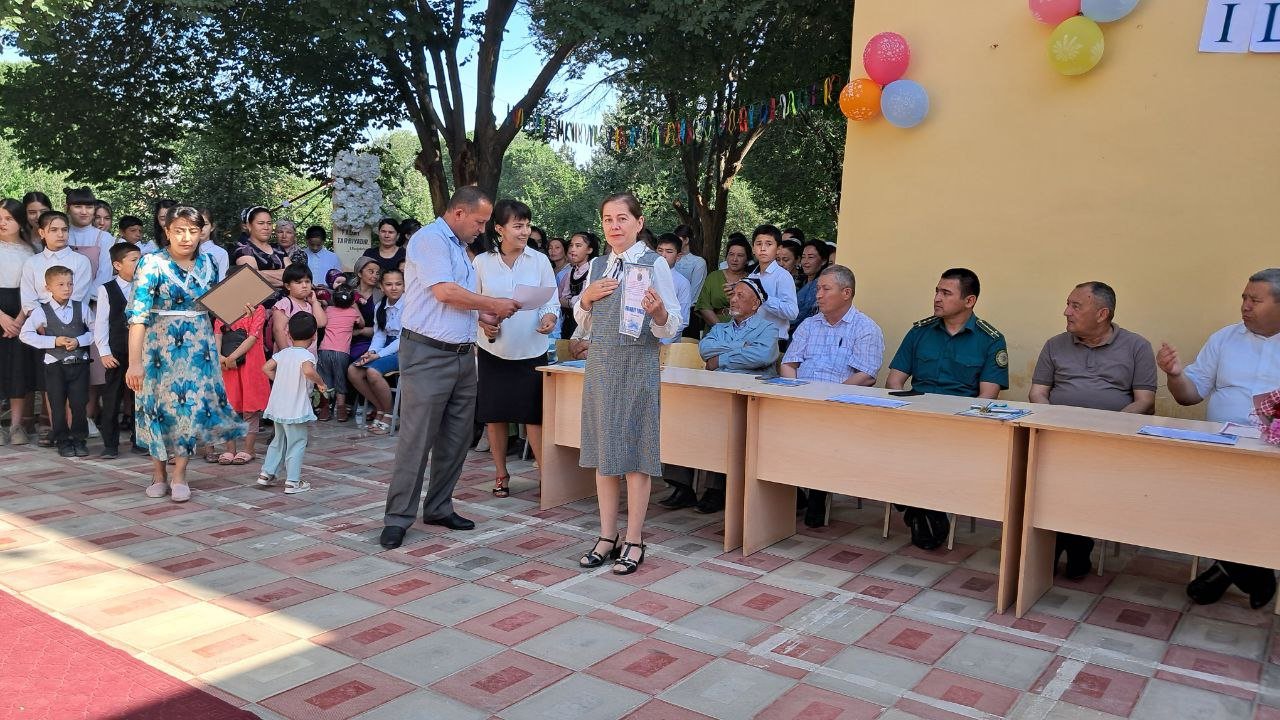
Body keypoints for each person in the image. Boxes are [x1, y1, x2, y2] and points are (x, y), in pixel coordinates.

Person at [379, 187, 520, 549]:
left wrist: (482, 317)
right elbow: (444, 292)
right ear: (459, 213)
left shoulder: (459, 248)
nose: (482, 229)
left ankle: (439, 506)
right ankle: (397, 518)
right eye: (479, 221)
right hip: (427, 353)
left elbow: (452, 303)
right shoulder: (430, 240)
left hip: (462, 354)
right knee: (417, 439)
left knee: (456, 439)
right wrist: (492, 304)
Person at [575, 192, 683, 575]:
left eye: (622, 218)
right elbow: (583, 323)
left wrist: (660, 313)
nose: (614, 226)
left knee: (636, 456)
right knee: (604, 455)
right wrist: (585, 300)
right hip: (601, 367)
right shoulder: (597, 265)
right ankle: (608, 536)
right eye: (608, 219)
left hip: (638, 367)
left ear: (639, 223)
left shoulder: (655, 264)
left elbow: (672, 326)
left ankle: (634, 539)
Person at [1159, 268, 1280, 609]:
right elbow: (1189, 395)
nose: (1245, 306)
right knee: (1197, 502)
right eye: (1244, 298)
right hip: (1221, 449)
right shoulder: (1224, 339)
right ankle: (1254, 573)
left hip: (1273, 455)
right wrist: (1175, 375)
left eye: (1254, 300)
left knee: (1258, 509)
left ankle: (1228, 569)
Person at [1029, 281, 1157, 579]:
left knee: (1082, 480)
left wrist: (1106, 429)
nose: (1066, 312)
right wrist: (1055, 422)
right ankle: (1072, 547)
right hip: (1058, 435)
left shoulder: (1137, 346)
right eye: (1068, 304)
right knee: (1047, 477)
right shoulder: (1055, 344)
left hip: (1110, 442)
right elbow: (1037, 393)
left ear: (1102, 314)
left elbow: (1145, 402)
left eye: (1075, 306)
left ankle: (1069, 546)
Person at [126, 206, 245, 502]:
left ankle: (180, 473)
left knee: (188, 409)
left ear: (202, 232)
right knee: (155, 408)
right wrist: (134, 362)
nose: (186, 237)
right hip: (157, 348)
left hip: (198, 349)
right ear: (167, 231)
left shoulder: (209, 263)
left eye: (193, 231)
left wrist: (240, 306)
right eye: (179, 231)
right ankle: (158, 473)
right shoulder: (151, 262)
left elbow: (218, 307)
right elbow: (137, 316)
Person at [887, 268, 1008, 548]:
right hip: (916, 421)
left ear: (969, 301)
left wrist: (957, 424)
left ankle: (916, 504)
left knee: (928, 454)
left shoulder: (990, 339)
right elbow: (894, 380)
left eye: (946, 293)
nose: (937, 298)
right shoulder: (920, 332)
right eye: (936, 291)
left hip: (958, 428)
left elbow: (987, 396)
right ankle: (922, 505)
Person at [659, 278, 780, 513]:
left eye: (740, 296)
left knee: (721, 426)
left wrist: (721, 359)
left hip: (747, 396)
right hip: (716, 390)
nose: (733, 299)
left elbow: (762, 356)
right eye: (732, 295)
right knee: (683, 420)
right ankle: (682, 487)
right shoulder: (720, 328)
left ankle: (715, 491)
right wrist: (742, 348)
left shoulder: (768, 328)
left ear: (755, 304)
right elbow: (705, 350)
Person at [780, 265, 886, 527]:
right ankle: (791, 492)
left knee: (820, 432)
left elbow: (866, 375)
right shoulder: (808, 325)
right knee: (769, 427)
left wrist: (831, 397)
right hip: (801, 401)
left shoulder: (865, 328)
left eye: (825, 289)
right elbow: (788, 364)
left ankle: (817, 493)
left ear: (846, 293)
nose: (818, 295)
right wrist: (795, 393)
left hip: (839, 406)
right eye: (818, 289)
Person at [473, 200, 559, 496]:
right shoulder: (481, 262)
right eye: (518, 226)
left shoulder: (539, 261)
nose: (525, 232)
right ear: (499, 229)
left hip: (532, 349)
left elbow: (551, 301)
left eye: (527, 225)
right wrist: (483, 322)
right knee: (495, 415)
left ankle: (546, 476)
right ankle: (501, 474)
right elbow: (471, 302)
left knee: (533, 415)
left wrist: (550, 317)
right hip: (493, 350)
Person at [20, 265, 93, 457]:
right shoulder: (41, 311)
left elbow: (96, 332)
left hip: (79, 363)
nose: (66, 288)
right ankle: (63, 441)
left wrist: (79, 341)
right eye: (60, 284)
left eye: (70, 284)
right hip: (54, 365)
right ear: (48, 287)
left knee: (79, 404)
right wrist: (53, 341)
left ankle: (79, 440)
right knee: (57, 405)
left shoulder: (82, 307)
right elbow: (25, 334)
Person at [258, 313, 327, 495]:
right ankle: (293, 481)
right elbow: (308, 371)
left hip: (278, 406)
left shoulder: (282, 353)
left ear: (288, 334)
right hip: (295, 408)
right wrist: (320, 383)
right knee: (297, 443)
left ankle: (267, 473)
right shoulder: (307, 355)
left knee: (278, 440)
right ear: (314, 336)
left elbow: (266, 368)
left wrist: (280, 380)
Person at [94, 242, 143, 459]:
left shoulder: (146, 287)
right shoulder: (106, 289)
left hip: (141, 352)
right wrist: (104, 351)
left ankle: (140, 440)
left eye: (141, 259)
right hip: (116, 351)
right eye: (134, 260)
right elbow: (101, 322)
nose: (139, 264)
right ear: (117, 265)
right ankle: (110, 444)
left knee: (140, 398)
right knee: (112, 397)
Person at [0, 198, 37, 446]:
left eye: (8, 218)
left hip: (21, 311)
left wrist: (19, 320)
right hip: (1, 311)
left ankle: (16, 425)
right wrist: (2, 317)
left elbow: (31, 289)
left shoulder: (30, 250)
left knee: (18, 369)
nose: (2, 223)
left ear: (20, 221)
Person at [348, 268, 404, 435]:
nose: (394, 288)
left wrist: (379, 355)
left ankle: (390, 414)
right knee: (353, 370)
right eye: (389, 284)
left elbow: (403, 339)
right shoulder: (380, 306)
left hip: (404, 349)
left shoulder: (410, 305)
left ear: (404, 286)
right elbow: (379, 335)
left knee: (372, 372)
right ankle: (381, 408)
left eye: (398, 284)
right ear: (381, 286)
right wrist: (371, 351)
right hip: (386, 346)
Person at [215, 303, 270, 465]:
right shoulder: (221, 307)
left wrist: (232, 357)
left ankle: (248, 449)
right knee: (228, 407)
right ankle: (230, 450)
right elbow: (217, 335)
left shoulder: (258, 309)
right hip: (227, 366)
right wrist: (219, 357)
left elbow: (253, 337)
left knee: (250, 408)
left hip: (250, 365)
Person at [747, 224, 799, 349]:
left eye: (769, 244)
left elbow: (792, 312)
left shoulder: (783, 276)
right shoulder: (751, 276)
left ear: (778, 249)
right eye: (758, 244)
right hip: (751, 339)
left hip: (774, 341)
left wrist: (764, 297)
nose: (763, 248)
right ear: (753, 248)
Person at [317, 285, 362, 422]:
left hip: (324, 350)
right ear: (352, 300)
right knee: (340, 379)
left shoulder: (328, 310)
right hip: (342, 352)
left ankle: (325, 409)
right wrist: (355, 306)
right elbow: (361, 324)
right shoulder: (353, 313)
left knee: (325, 380)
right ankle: (341, 410)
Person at [695, 235, 752, 327]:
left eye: (740, 255)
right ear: (726, 256)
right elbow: (703, 305)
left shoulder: (751, 279)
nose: (734, 259)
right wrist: (720, 328)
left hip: (745, 327)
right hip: (715, 327)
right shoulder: (713, 277)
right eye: (731, 254)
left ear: (747, 260)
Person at [272, 264, 327, 356]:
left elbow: (321, 323)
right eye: (298, 282)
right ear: (288, 286)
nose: (304, 286)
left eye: (307, 281)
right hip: (289, 356)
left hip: (309, 356)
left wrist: (314, 302)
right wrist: (286, 354)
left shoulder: (310, 305)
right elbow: (278, 330)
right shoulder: (284, 304)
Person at [557, 231, 599, 341]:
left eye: (578, 246)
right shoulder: (571, 271)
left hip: (585, 321)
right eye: (571, 245)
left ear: (589, 250)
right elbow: (564, 296)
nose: (572, 249)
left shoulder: (593, 271)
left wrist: (569, 302)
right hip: (569, 320)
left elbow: (581, 299)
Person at [234, 206, 288, 288]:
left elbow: (295, 274)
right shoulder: (243, 248)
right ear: (248, 225)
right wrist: (286, 281)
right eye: (261, 223)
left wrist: (261, 273)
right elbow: (252, 277)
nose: (266, 227)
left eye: (269, 223)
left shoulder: (278, 248)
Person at [653, 234, 692, 345]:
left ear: (678, 256)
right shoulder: (646, 275)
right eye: (660, 250)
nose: (663, 255)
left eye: (669, 252)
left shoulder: (683, 283)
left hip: (668, 343)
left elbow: (683, 320)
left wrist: (663, 342)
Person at [794, 239, 834, 331]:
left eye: (811, 257)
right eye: (803, 257)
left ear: (823, 261)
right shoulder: (798, 281)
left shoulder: (823, 286)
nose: (805, 261)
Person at [349, 256, 381, 359]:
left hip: (372, 340)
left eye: (377, 273)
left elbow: (383, 329)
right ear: (359, 273)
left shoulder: (382, 295)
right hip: (347, 338)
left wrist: (360, 331)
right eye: (371, 272)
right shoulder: (349, 293)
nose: (375, 276)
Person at [671, 224, 708, 303]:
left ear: (686, 240)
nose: (674, 243)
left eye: (677, 239)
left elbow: (695, 291)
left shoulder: (699, 262)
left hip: (687, 305)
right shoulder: (671, 257)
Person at [197, 208, 229, 282]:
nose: (201, 228)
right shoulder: (185, 250)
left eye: (205, 224)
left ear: (212, 227)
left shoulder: (220, 253)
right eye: (198, 224)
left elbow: (221, 281)